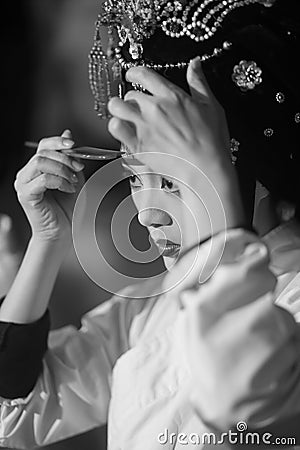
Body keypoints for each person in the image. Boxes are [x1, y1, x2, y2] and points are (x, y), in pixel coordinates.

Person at [1, 2, 300, 450]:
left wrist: (218, 229)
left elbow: (239, 402)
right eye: (137, 178)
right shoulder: (153, 307)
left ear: (255, 175)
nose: (147, 214)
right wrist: (46, 244)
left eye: (176, 181)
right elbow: (22, 411)